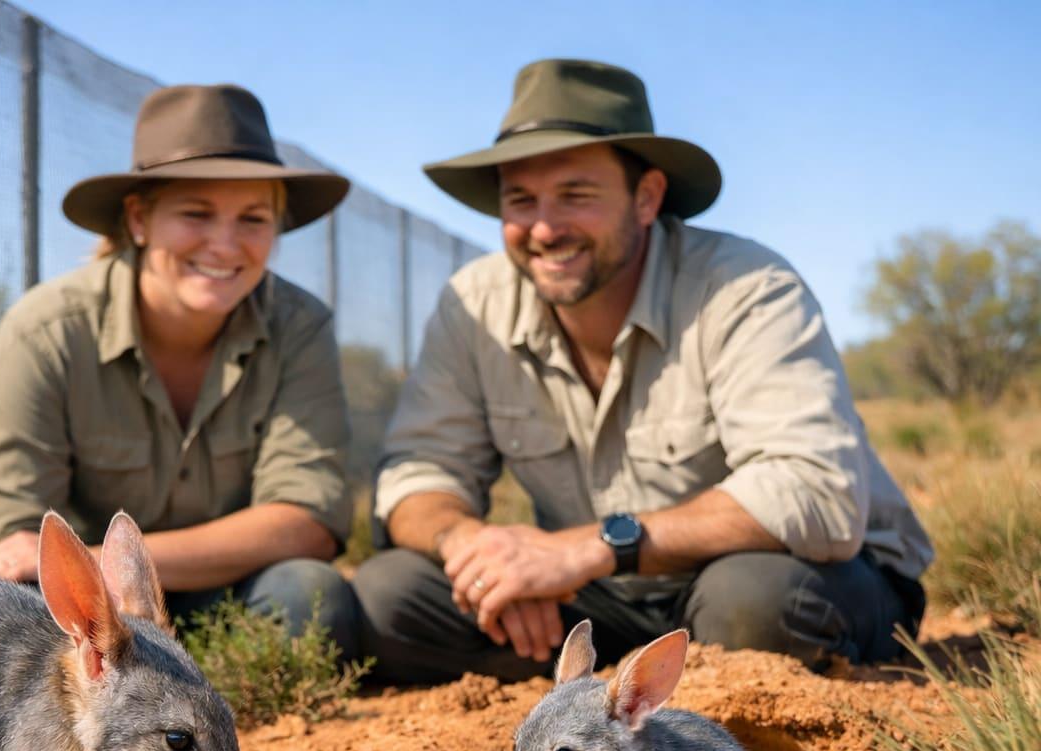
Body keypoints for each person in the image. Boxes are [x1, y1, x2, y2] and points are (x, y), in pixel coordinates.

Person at [352, 59, 932, 684]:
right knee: (389, 597)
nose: (544, 228)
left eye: (576, 194)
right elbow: (416, 472)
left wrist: (583, 548)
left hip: (790, 573)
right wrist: (472, 548)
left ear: (647, 197)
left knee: (753, 605)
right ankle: (591, 706)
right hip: (601, 598)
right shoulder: (474, 305)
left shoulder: (746, 288)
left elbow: (816, 492)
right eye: (521, 200)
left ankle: (740, 725)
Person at [0, 83, 360, 655]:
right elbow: (8, 541)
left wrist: (111, 562)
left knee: (310, 597)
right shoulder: (46, 329)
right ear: (139, 219)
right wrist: (100, 595)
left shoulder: (301, 327)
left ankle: (211, 708)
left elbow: (307, 521)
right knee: (9, 606)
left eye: (253, 218)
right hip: (92, 622)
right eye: (196, 213)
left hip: (229, 596)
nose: (225, 244)